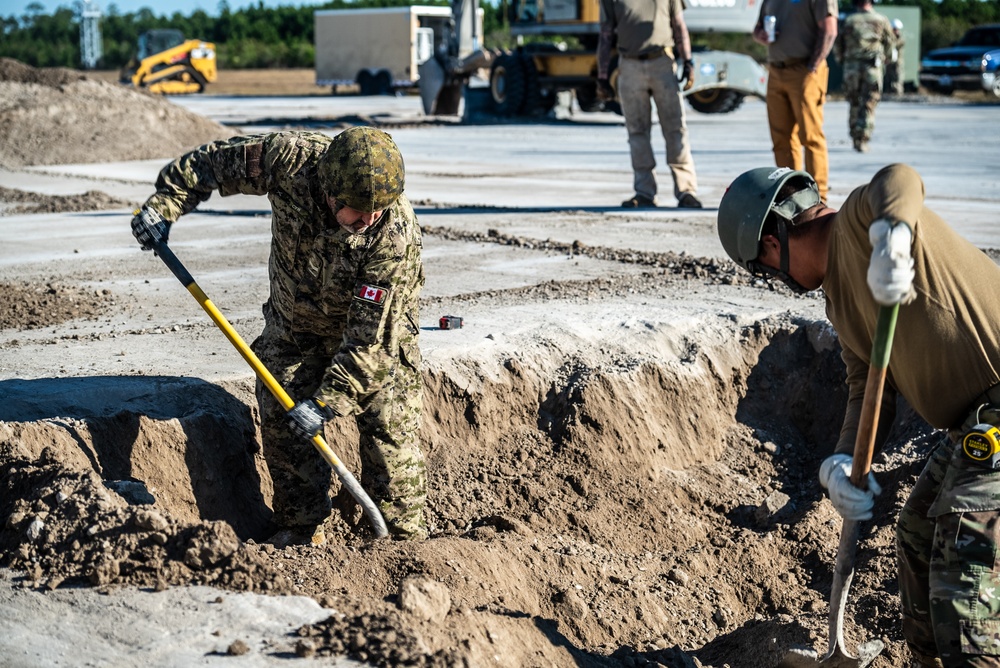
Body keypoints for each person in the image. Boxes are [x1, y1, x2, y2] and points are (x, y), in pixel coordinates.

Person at [717, 163, 1000, 666]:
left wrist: (892, 238)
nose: (778, 282)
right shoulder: (839, 302)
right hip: (973, 424)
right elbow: (867, 388)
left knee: (964, 556)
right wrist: (843, 460)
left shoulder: (856, 226)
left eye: (764, 272)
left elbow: (900, 179)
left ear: (772, 244)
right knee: (916, 533)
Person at [130, 127, 428, 545]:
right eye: (359, 211)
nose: (370, 220)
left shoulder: (393, 238)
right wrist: (163, 207)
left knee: (388, 436)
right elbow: (210, 164)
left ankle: (400, 544)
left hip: (371, 340)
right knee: (284, 425)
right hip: (294, 331)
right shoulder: (287, 160)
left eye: (379, 209)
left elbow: (370, 344)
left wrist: (325, 404)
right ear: (329, 192)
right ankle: (303, 530)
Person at [596, 0, 703, 210]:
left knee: (675, 129)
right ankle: (644, 191)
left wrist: (688, 61)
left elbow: (679, 24)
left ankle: (686, 191)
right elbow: (606, 33)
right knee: (637, 131)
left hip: (662, 60)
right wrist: (602, 76)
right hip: (629, 64)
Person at [752, 0, 838, 201]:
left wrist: (813, 65)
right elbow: (757, 28)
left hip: (805, 70)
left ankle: (819, 196)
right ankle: (790, 194)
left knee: (810, 136)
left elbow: (830, 30)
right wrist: (760, 35)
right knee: (781, 138)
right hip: (775, 69)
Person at [834, 0, 894, 153]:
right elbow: (890, 45)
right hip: (871, 68)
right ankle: (863, 138)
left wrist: (842, 60)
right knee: (869, 102)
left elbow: (838, 45)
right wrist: (886, 59)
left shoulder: (848, 21)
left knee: (854, 101)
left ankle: (855, 136)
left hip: (851, 68)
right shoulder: (881, 20)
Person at [885, 18, 906, 97]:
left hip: (898, 61)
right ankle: (888, 93)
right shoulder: (889, 37)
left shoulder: (900, 39)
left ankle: (898, 94)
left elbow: (895, 45)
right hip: (889, 61)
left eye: (896, 29)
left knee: (898, 77)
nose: (896, 31)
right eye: (894, 29)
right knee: (888, 77)